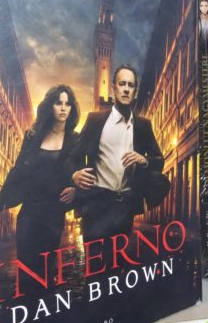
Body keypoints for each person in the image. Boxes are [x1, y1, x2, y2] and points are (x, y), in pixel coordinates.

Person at [67, 65, 169, 244]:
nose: (126, 89)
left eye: (131, 85)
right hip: (96, 204)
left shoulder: (143, 126)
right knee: (95, 260)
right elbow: (73, 156)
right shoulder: (95, 120)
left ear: (134, 92)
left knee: (120, 259)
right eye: (122, 84)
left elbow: (159, 161)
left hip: (125, 207)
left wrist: (144, 160)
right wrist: (74, 174)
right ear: (113, 88)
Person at [0, 84, 80, 273]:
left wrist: (76, 190)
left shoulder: (75, 140)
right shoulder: (33, 137)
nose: (63, 108)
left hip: (53, 216)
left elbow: (83, 173)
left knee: (45, 271)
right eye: (58, 103)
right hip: (29, 214)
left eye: (67, 104)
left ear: (72, 108)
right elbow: (17, 172)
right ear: (50, 106)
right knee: (26, 272)